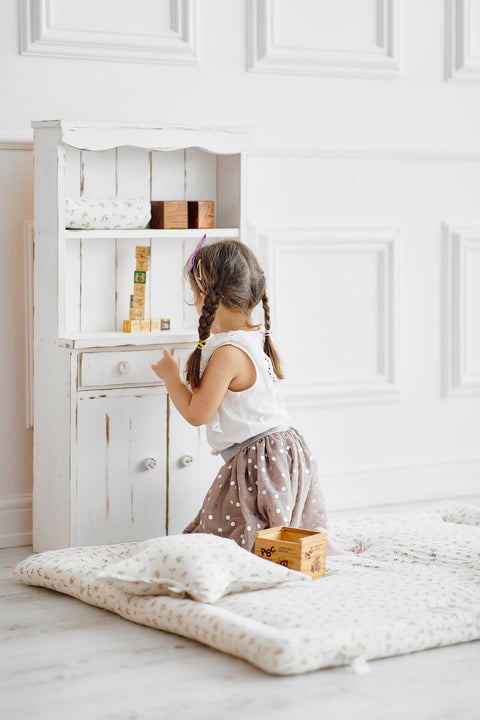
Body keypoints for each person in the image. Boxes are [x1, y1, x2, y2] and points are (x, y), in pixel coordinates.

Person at [152, 236, 362, 554]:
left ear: (203, 295)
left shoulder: (226, 353)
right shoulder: (251, 337)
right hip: (283, 448)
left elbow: (197, 413)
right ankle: (310, 547)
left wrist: (171, 377)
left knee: (239, 538)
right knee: (273, 533)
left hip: (259, 458)